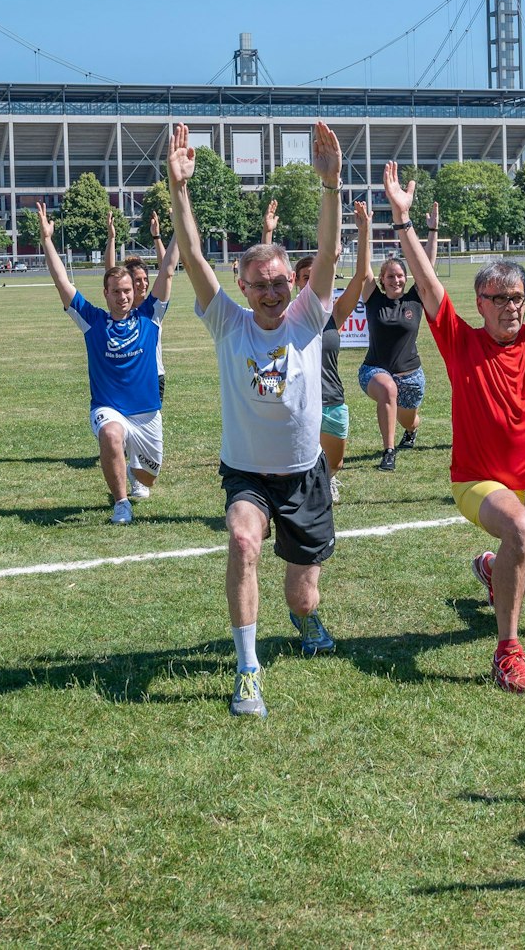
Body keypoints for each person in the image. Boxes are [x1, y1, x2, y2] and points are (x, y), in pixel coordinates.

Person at [400, 155, 525, 693]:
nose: (511, 307)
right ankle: (507, 654)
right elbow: (424, 280)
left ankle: (493, 569)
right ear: (479, 303)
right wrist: (403, 220)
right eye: (499, 298)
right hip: (477, 482)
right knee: (520, 530)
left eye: (517, 298)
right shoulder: (459, 340)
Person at [170, 120, 343, 717]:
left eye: (278, 283)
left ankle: (305, 618)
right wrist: (179, 188)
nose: (270, 293)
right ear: (241, 286)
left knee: (302, 591)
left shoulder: (307, 319)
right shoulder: (228, 324)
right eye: (259, 284)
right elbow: (192, 254)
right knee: (243, 540)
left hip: (304, 475)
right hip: (246, 472)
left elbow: (329, 253)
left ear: (289, 283)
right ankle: (248, 669)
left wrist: (330, 187)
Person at [37, 199, 172, 525]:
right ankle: (121, 503)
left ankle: (129, 471)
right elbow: (62, 283)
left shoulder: (150, 316)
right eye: (116, 291)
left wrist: (179, 225)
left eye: (127, 290)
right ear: (106, 292)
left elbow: (168, 270)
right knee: (111, 435)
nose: (123, 296)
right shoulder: (92, 321)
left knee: (148, 478)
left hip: (146, 413)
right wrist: (46, 240)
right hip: (107, 407)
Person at [273, 198, 374, 495]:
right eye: (305, 278)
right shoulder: (284, 316)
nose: (309, 284)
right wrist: (268, 235)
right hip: (296, 402)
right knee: (296, 466)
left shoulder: (335, 315)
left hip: (332, 400)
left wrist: (365, 230)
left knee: (334, 464)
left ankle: (326, 479)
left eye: (314, 278)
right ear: (294, 283)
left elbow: (361, 277)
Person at [360, 200, 438, 471]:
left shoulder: (415, 300)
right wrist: (364, 229)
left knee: (410, 419)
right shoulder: (373, 298)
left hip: (411, 376)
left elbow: (426, 267)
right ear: (382, 280)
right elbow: (364, 268)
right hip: (374, 370)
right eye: (390, 277)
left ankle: (411, 430)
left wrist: (433, 231)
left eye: (400, 276)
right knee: (387, 389)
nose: (396, 280)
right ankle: (389, 451)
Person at [116, 208, 173, 404]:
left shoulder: (153, 309)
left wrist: (157, 236)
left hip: (153, 376)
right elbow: (109, 273)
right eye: (137, 280)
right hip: (126, 374)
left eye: (146, 279)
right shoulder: (120, 307)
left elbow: (167, 270)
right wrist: (111, 239)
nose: (144, 284)